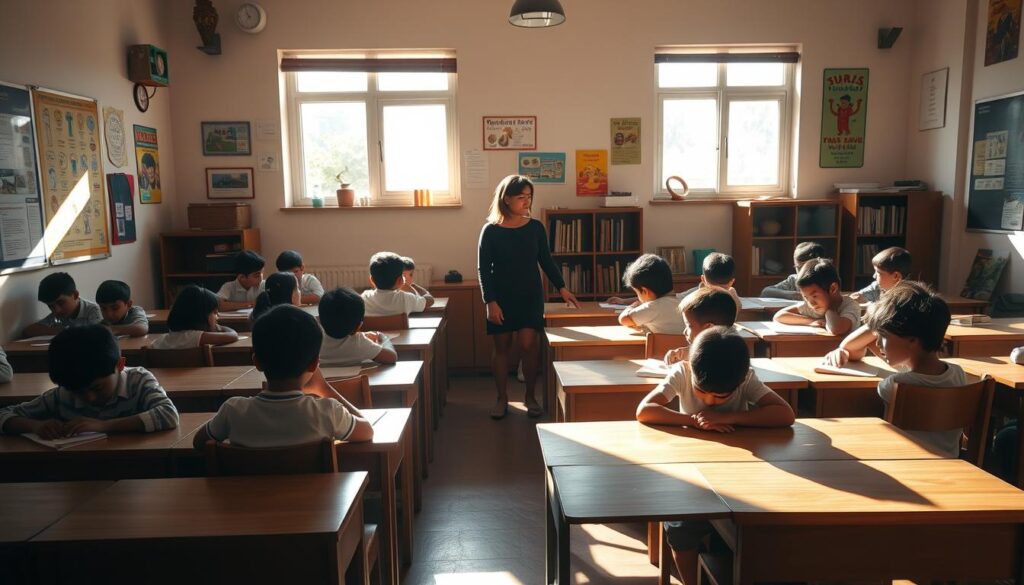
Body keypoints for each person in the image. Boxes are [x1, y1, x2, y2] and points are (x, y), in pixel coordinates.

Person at [636, 326, 795, 585]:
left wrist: (728, 416)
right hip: (691, 470)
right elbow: (645, 410)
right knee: (681, 527)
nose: (710, 401)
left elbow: (785, 414)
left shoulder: (746, 379)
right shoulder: (683, 373)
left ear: (740, 381)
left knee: (757, 523)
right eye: (702, 392)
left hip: (739, 472)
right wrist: (692, 420)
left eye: (722, 396)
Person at [192, 304, 373, 449]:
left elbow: (199, 442)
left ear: (257, 362)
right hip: (314, 495)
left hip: (248, 494)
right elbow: (368, 431)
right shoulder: (328, 412)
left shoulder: (233, 411)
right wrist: (325, 389)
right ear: (314, 363)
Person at [478, 175, 579, 419]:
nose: (526, 201)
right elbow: (483, 268)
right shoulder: (490, 230)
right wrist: (490, 302)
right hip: (500, 297)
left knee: (528, 345)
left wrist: (562, 287)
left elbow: (545, 260)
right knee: (502, 348)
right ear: (506, 199)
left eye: (529, 196)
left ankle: (530, 397)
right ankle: (502, 398)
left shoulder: (535, 227)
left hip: (530, 295)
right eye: (521, 197)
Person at [0, 324, 179, 438]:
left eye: (97, 388)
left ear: (120, 365)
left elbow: (168, 414)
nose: (89, 397)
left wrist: (104, 426)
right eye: (78, 392)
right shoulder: (63, 395)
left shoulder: (138, 382)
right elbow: (4, 414)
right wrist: (35, 426)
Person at [867, 281, 966, 457]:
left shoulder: (895, 385)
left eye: (883, 336)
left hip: (907, 468)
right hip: (950, 468)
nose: (877, 344)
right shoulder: (958, 375)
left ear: (912, 340)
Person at [824, 247, 912, 367]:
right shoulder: (887, 291)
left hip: (904, 363)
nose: (874, 276)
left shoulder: (900, 303)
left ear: (896, 276)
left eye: (878, 272)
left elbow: (848, 345)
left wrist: (843, 349)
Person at [773, 258, 860, 336]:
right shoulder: (812, 306)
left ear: (833, 288)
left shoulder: (850, 306)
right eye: (806, 298)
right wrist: (811, 321)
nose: (811, 303)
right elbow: (779, 316)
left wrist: (830, 309)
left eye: (814, 296)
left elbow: (835, 329)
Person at [319, 287, 397, 366]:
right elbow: (391, 357)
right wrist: (383, 337)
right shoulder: (360, 343)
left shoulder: (314, 340)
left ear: (320, 320)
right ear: (358, 326)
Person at [664, 288, 739, 365]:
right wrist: (682, 353)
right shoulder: (736, 352)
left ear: (709, 328)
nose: (684, 332)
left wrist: (690, 356)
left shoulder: (721, 362)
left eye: (688, 326)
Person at [150, 285, 239, 349]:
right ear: (201, 316)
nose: (217, 317)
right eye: (214, 313)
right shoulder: (197, 337)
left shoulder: (159, 341)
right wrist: (220, 327)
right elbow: (233, 336)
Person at [616, 254, 685, 334]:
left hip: (662, 346)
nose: (638, 298)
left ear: (645, 291)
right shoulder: (684, 299)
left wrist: (632, 306)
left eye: (637, 293)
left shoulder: (651, 307)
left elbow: (624, 319)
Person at [22, 272, 102, 337]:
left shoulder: (94, 310)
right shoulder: (57, 315)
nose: (57, 310)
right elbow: (28, 331)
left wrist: (66, 332)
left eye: (61, 302)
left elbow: (95, 335)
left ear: (75, 295)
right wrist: (57, 330)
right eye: (51, 306)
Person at [362, 251, 434, 315]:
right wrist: (415, 286)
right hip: (400, 330)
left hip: (373, 330)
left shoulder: (364, 298)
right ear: (401, 280)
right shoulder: (406, 299)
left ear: (371, 280)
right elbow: (430, 300)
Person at [759, 241, 826, 300]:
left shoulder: (827, 281)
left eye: (808, 268)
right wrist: (793, 295)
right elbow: (766, 292)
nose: (802, 272)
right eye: (798, 268)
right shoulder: (794, 280)